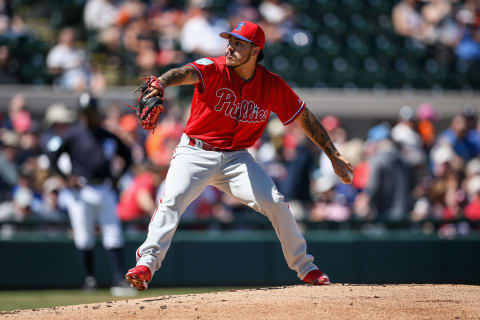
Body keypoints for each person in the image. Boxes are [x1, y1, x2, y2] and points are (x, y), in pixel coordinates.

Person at [125, 21, 353, 290]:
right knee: (171, 201)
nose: (230, 47)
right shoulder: (215, 67)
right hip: (195, 151)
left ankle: (306, 268)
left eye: (238, 43)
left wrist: (333, 155)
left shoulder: (271, 85)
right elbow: (185, 72)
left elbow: (304, 118)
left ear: (256, 50)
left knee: (276, 203)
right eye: (230, 41)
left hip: (236, 158)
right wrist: (162, 82)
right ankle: (147, 264)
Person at [49, 92, 135, 296]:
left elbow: (127, 155)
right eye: (85, 112)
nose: (88, 116)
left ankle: (118, 280)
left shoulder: (106, 134)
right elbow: (53, 156)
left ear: (97, 112)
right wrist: (65, 176)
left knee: (113, 233)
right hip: (81, 190)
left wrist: (117, 177)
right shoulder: (74, 134)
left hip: (104, 188)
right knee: (84, 236)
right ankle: (90, 280)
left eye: (91, 112)